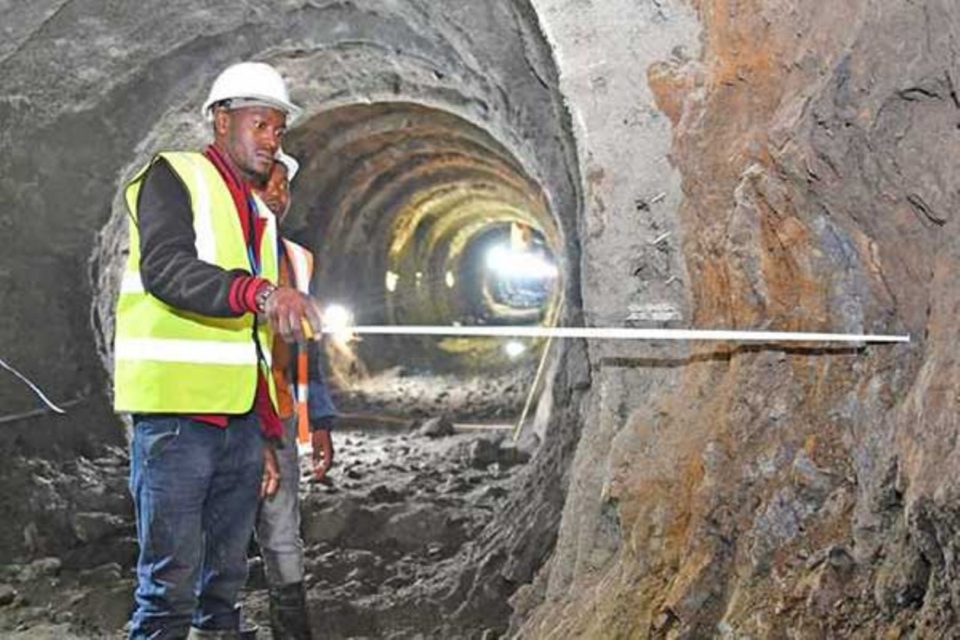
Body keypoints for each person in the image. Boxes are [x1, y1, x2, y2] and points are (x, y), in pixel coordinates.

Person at [114, 61, 323, 640]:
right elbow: (167, 270)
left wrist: (256, 432)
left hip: (235, 428)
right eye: (260, 124)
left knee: (224, 587)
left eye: (278, 130)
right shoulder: (172, 176)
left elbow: (254, 343)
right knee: (169, 591)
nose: (270, 140)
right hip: (177, 423)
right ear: (221, 119)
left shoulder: (256, 217)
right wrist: (259, 291)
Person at [252, 151, 337, 639]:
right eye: (268, 183)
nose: (278, 195)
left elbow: (309, 350)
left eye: (285, 186)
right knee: (216, 535)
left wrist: (319, 420)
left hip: (279, 413)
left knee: (283, 534)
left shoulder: (297, 260)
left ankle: (292, 631)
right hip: (225, 417)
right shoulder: (213, 253)